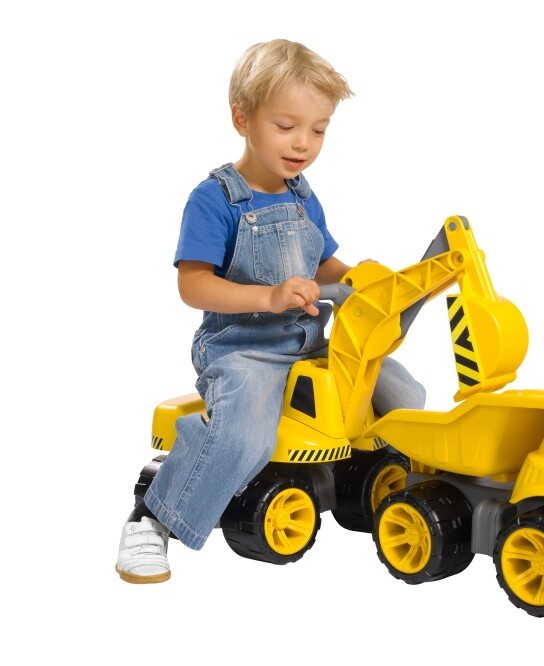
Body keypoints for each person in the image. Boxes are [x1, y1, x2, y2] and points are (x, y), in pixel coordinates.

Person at [115, 39, 426, 583]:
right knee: (244, 436)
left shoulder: (303, 196)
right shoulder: (214, 199)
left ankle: (379, 484)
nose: (303, 143)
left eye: (319, 130)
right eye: (286, 126)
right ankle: (153, 519)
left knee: (404, 395)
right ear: (242, 119)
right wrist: (268, 297)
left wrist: (360, 279)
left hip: (310, 344)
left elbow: (322, 264)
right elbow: (193, 285)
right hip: (244, 350)